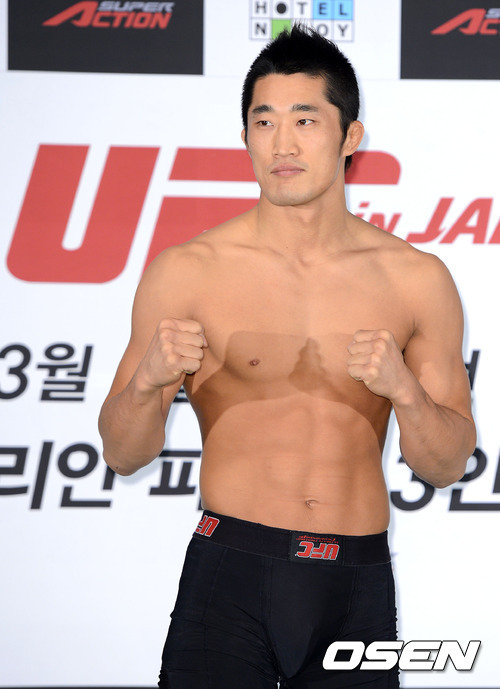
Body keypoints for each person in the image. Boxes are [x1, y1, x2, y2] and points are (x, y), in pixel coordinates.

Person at [98, 25, 476, 689]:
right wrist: (148, 382)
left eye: (305, 119)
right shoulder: (188, 272)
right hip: (229, 580)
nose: (282, 143)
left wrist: (405, 391)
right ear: (245, 135)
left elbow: (444, 465)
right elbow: (122, 453)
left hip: (354, 588)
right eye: (263, 121)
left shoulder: (415, 280)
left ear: (350, 136)